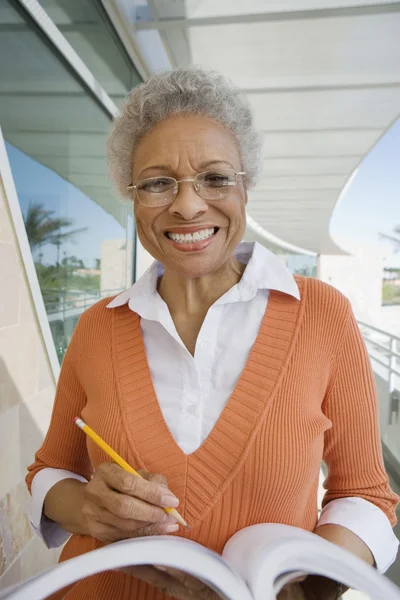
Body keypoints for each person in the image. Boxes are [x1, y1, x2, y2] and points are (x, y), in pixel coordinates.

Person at [26, 67, 399, 600]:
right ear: (132, 198)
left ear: (245, 186)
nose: (188, 204)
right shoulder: (97, 327)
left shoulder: (322, 315)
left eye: (215, 178)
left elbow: (365, 494)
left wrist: (309, 590)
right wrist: (85, 505)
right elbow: (49, 471)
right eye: (157, 183)